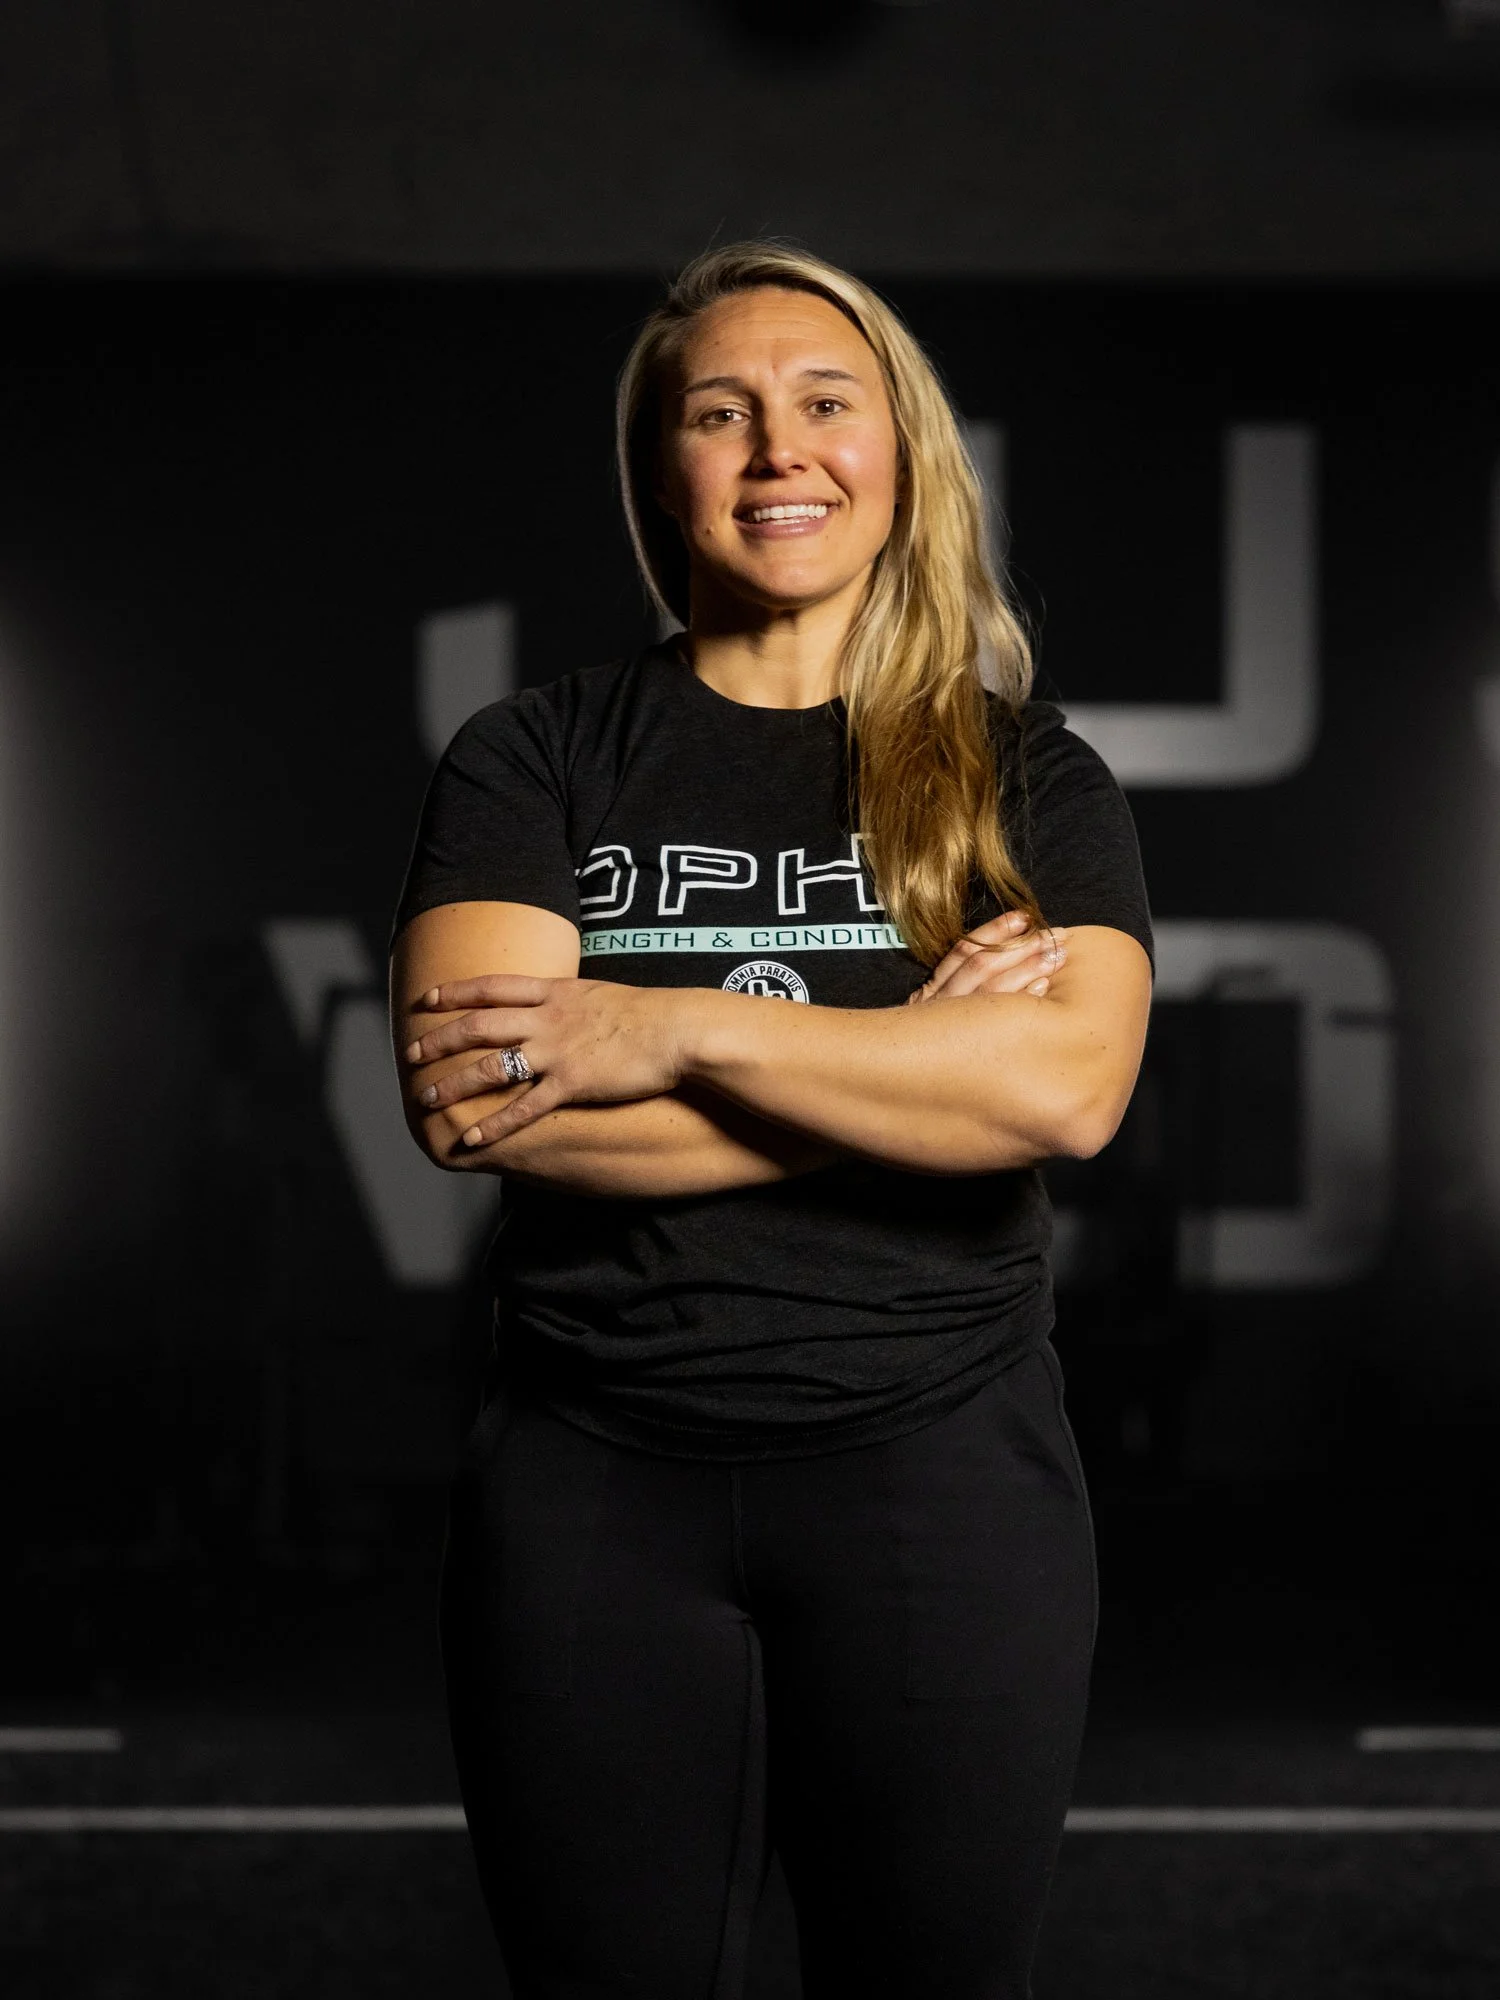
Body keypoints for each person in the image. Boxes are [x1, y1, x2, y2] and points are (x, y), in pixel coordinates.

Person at [389, 242, 1153, 2000]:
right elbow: (480, 1111)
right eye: (716, 413)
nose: (775, 451)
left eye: (826, 405)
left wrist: (651, 1026)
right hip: (594, 1495)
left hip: (942, 1493)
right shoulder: (537, 757)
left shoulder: (1023, 773)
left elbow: (1064, 1088)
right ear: (664, 471)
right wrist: (908, 1075)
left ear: (902, 460)